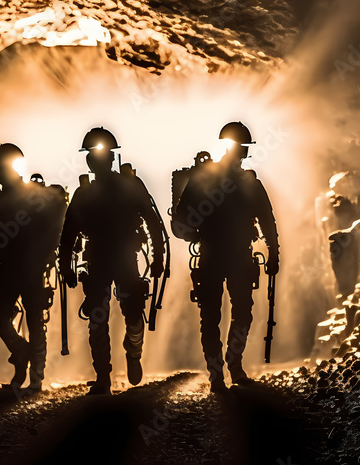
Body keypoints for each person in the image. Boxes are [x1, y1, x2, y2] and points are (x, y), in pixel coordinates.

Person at [172, 122, 279, 392]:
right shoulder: (207, 179)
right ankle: (218, 371)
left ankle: (231, 365)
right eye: (241, 147)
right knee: (212, 315)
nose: (242, 153)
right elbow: (181, 220)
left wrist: (274, 252)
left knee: (240, 312)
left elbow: (267, 221)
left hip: (233, 256)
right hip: (215, 255)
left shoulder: (247, 182)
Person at [59, 127, 167, 395]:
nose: (96, 160)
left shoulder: (130, 186)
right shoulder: (84, 194)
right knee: (97, 320)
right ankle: (103, 377)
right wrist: (65, 267)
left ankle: (133, 351)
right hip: (97, 261)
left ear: (109, 157)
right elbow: (68, 233)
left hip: (124, 258)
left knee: (132, 313)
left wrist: (157, 258)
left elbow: (153, 223)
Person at [0, 143, 68, 393]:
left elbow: (54, 230)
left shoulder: (35, 196)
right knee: (1, 320)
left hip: (33, 271)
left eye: (1, 168)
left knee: (35, 322)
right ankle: (23, 355)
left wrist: (52, 256)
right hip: (10, 270)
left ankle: (35, 376)